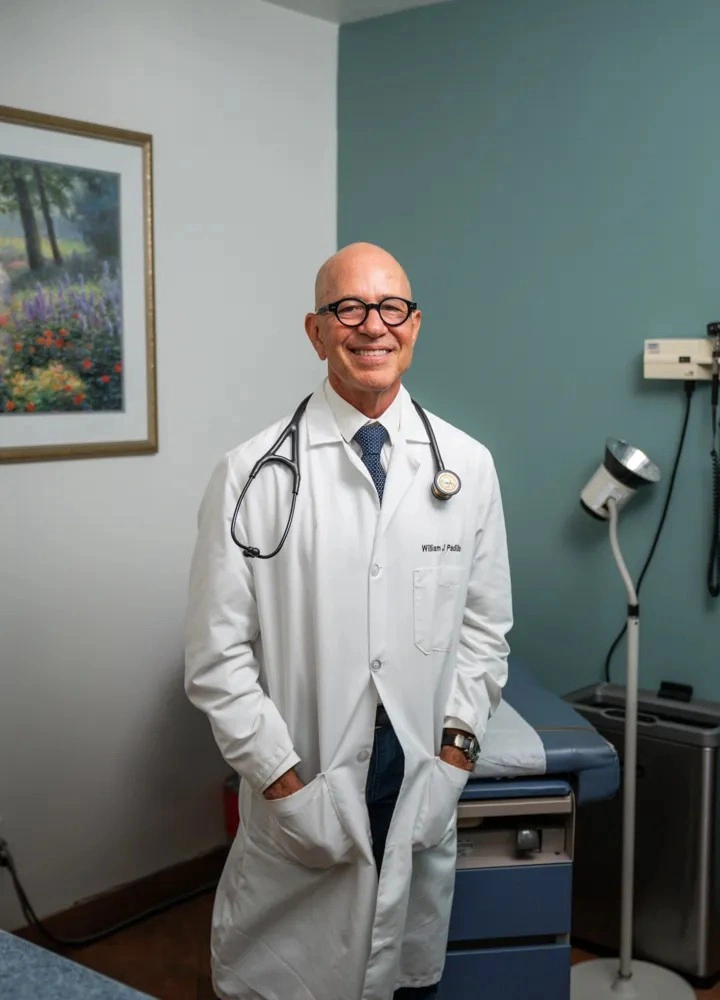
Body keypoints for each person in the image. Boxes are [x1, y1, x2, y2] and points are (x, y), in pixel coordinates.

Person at [184, 242, 513, 1000]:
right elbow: (217, 661)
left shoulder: (467, 467)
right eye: (348, 309)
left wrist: (456, 755)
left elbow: (484, 631)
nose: (372, 326)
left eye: (389, 307)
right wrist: (283, 780)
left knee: (401, 980)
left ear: (415, 324)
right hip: (307, 776)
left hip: (419, 775)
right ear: (315, 330)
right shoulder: (250, 473)